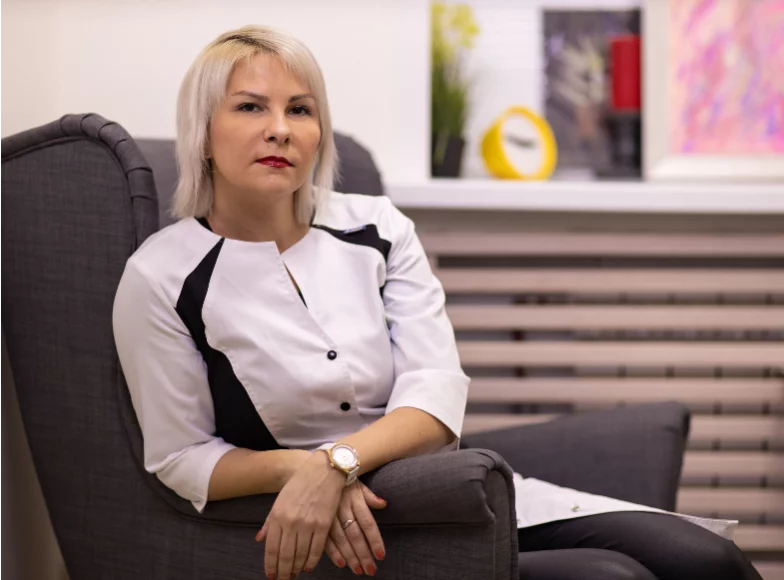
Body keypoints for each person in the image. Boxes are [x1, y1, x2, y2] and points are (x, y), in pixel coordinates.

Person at [112, 25, 762, 580]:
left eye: (301, 110)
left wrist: (339, 463)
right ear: (203, 132)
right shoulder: (161, 276)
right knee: (610, 578)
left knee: (708, 560)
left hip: (437, 490)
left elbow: (435, 392)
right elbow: (180, 457)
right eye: (251, 107)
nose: (280, 130)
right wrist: (302, 474)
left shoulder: (378, 228)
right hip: (327, 534)